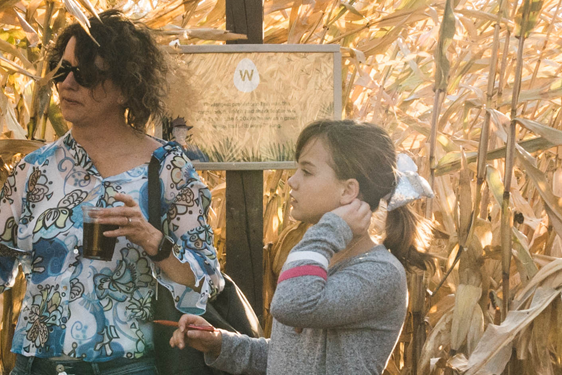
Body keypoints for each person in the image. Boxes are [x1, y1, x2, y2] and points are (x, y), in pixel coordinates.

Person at [0, 10, 223, 375]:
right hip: (40, 365)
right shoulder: (33, 171)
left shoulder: (167, 167)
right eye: (61, 70)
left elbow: (205, 278)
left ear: (125, 86)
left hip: (132, 367)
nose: (67, 83)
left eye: (84, 74)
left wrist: (152, 240)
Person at [169, 119, 432, 374]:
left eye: (307, 171)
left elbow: (290, 305)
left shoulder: (379, 274)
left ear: (348, 190)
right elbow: (289, 357)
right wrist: (220, 343)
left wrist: (331, 228)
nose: (292, 181)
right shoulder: (319, 260)